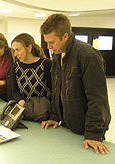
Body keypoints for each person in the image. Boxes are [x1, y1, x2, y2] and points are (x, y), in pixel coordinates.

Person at [40, 13, 111, 154]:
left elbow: (97, 99)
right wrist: (54, 116)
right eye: (47, 42)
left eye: (52, 42)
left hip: (87, 130)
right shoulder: (57, 55)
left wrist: (93, 133)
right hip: (68, 126)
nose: (48, 46)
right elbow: (56, 90)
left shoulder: (87, 55)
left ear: (65, 36)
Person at [11, 33, 52, 121]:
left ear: (29, 48)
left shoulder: (46, 64)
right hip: (24, 114)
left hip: (42, 115)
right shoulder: (16, 67)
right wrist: (20, 100)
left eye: (18, 50)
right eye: (14, 50)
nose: (15, 54)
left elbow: (53, 92)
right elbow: (14, 91)